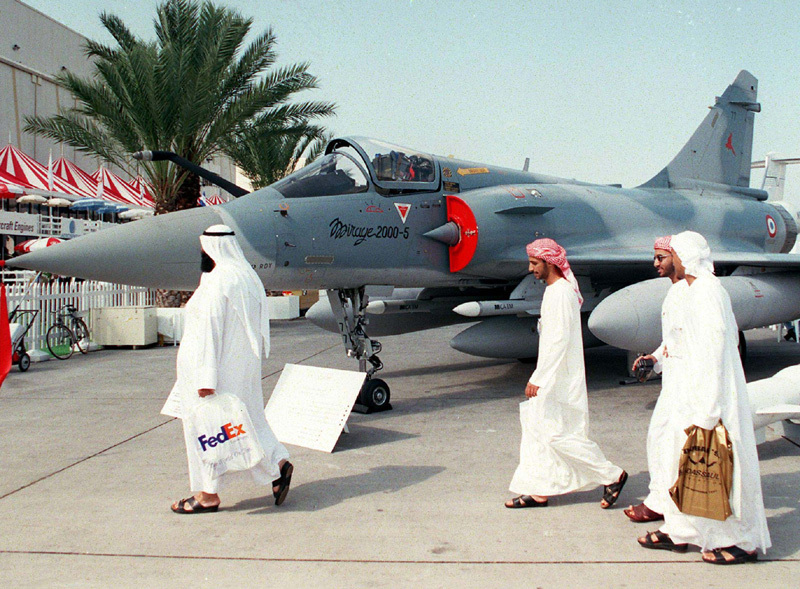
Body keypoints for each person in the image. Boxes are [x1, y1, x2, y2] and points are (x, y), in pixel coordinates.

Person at [637, 231, 771, 564]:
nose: (670, 260)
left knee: (727, 471)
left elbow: (713, 354)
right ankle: (683, 530)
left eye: (675, 254)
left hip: (711, 399)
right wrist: (657, 362)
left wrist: (709, 410)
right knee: (680, 464)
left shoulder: (709, 292)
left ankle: (744, 541)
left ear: (688, 257)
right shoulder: (689, 292)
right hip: (685, 394)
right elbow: (679, 342)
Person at [164, 224, 293, 514]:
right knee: (247, 422)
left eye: (203, 250)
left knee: (207, 430)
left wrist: (205, 378)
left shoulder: (218, 281)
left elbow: (209, 331)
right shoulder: (246, 275)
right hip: (240, 369)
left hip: (216, 374)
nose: (202, 255)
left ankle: (208, 495)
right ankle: (279, 465)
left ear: (212, 248)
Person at [506, 238, 627, 509]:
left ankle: (612, 475)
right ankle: (538, 490)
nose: (530, 269)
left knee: (555, 434)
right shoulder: (554, 290)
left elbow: (558, 340)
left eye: (535, 263)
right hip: (553, 372)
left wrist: (539, 378)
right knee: (537, 430)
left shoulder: (560, 292)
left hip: (558, 376)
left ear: (550, 263)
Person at [625, 236, 688, 523]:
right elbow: (673, 341)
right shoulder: (675, 292)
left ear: (678, 256)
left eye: (661, 258)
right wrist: (654, 359)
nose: (655, 264)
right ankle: (661, 501)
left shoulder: (697, 294)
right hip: (673, 384)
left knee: (676, 444)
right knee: (660, 439)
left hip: (692, 387)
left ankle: (674, 507)